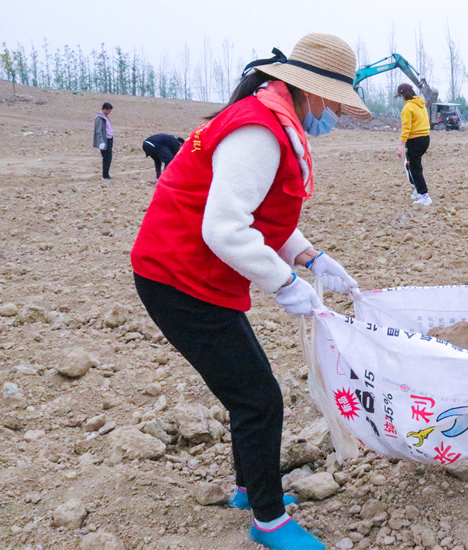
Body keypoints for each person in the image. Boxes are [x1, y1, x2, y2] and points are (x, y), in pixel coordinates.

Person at [130, 33, 371, 550]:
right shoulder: (259, 131)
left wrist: (312, 258)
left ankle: (249, 489)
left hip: (196, 277)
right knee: (259, 398)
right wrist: (285, 284)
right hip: (177, 279)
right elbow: (225, 228)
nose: (336, 117)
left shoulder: (271, 118)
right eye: (338, 105)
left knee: (250, 393)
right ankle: (268, 520)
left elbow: (266, 214)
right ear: (316, 93)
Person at [395, 82, 432, 205]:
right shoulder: (421, 105)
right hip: (425, 138)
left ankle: (424, 195)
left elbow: (406, 128)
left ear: (402, 95)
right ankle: (417, 189)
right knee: (410, 164)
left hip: (415, 140)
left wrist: (401, 145)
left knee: (414, 167)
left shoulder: (408, 108)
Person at [93, 102, 115, 179]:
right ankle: (105, 175)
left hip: (109, 139)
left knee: (109, 157)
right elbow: (98, 131)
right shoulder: (100, 118)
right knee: (106, 158)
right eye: (108, 111)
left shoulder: (105, 117)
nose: (109, 112)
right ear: (104, 109)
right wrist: (101, 141)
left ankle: (106, 174)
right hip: (105, 141)